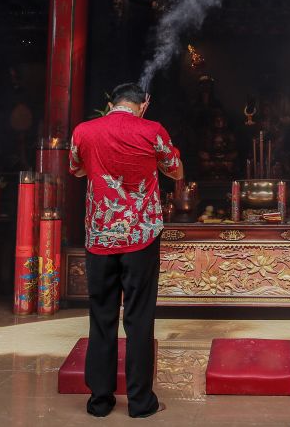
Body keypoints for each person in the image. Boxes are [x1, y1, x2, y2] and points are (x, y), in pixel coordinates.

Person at [69, 83, 183, 418]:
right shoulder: (152, 130)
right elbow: (175, 169)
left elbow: (76, 169)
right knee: (139, 318)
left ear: (110, 103)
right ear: (143, 104)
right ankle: (139, 401)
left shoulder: (84, 130)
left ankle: (100, 401)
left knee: (102, 317)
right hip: (141, 237)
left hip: (101, 236)